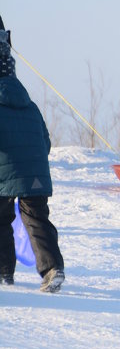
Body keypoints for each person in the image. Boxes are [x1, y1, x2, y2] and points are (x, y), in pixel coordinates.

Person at [0, 16, 66, 291]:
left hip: (4, 172)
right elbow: (46, 141)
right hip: (35, 172)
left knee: (2, 220)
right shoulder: (30, 105)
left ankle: (4, 274)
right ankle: (53, 269)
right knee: (37, 218)